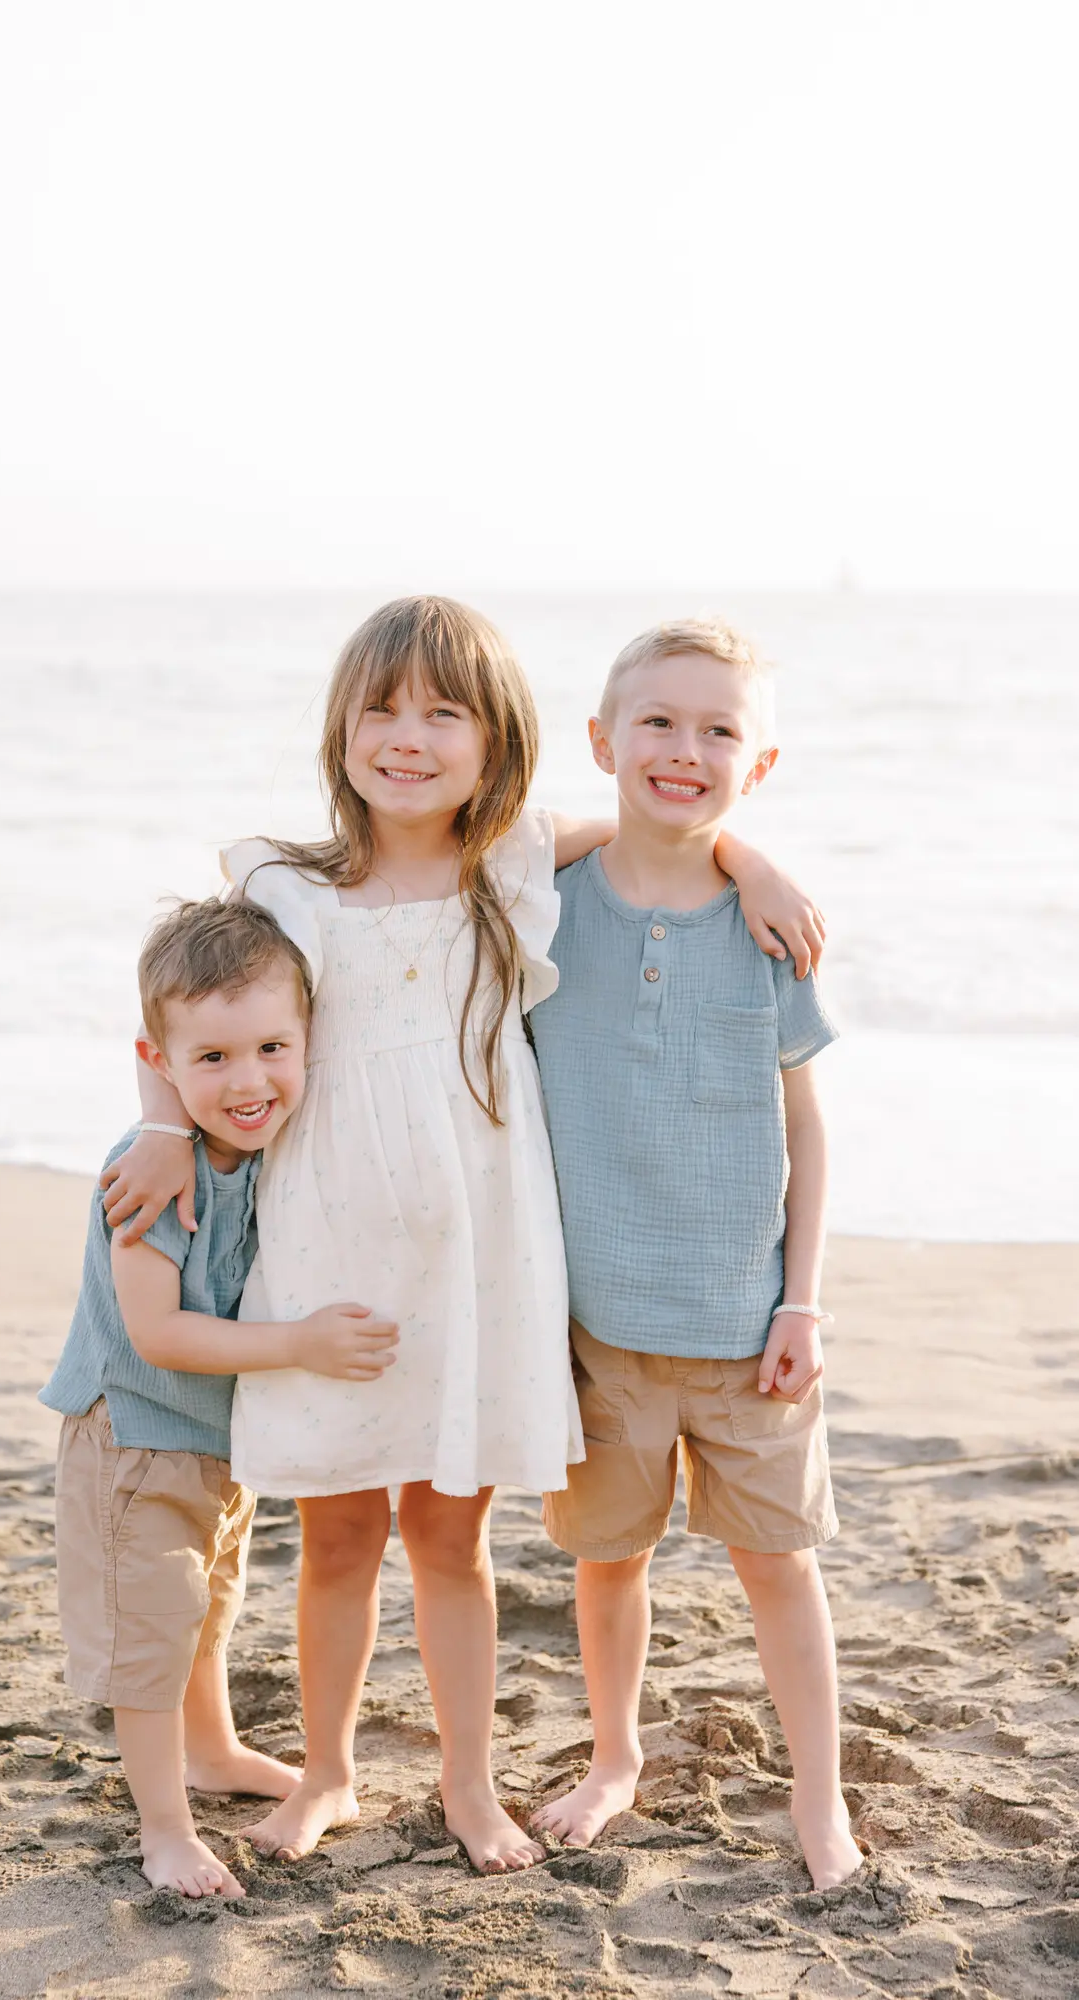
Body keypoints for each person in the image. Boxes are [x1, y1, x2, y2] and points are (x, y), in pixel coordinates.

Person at [103, 597, 823, 1874]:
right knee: (335, 1535)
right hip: (331, 1247)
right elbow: (181, 1000)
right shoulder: (284, 885)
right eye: (381, 707)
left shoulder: (514, 866)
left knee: (449, 1534)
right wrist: (162, 1119)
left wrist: (751, 860)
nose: (409, 735)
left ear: (496, 740)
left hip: (485, 1255)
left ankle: (466, 1783)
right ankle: (326, 1772)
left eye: (445, 711)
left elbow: (664, 825)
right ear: (342, 729)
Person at [527, 618, 862, 1890]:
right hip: (599, 1326)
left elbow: (803, 1122)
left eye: (720, 729)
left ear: (757, 762)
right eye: (656, 722)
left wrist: (803, 1300)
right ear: (604, 741)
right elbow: (466, 850)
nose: (685, 748)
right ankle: (614, 1755)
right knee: (606, 1560)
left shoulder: (768, 931)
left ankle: (817, 1800)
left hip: (747, 1326)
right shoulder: (547, 909)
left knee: (780, 1566)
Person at [39, 897, 397, 1900]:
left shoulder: (261, 1143)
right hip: (133, 1436)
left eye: (271, 1048)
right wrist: (300, 1345)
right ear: (161, 1060)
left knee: (206, 1610)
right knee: (150, 1633)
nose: (248, 1081)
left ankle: (215, 1751)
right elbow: (157, 1330)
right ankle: (163, 1824)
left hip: (212, 1441)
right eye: (212, 1060)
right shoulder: (150, 1170)